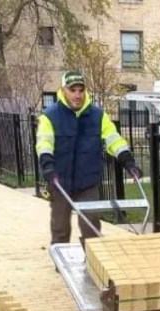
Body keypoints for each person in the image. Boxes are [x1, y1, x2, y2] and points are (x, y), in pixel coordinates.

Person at [35, 70, 141, 245]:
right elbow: (44, 144)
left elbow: (114, 140)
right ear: (63, 90)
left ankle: (92, 263)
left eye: (80, 90)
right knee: (60, 228)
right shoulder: (50, 117)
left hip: (88, 182)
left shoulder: (98, 116)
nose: (77, 95)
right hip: (59, 181)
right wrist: (48, 166)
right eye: (73, 90)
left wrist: (128, 162)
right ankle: (60, 262)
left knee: (91, 228)